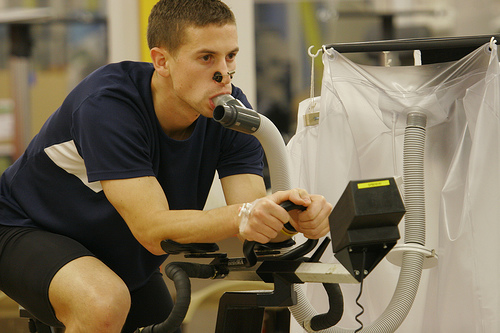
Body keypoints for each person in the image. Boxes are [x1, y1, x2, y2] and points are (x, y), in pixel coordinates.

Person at [0, 1, 332, 332]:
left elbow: (252, 218)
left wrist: (292, 219)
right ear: (162, 61)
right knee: (102, 304)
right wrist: (244, 215)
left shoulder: (232, 114)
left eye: (230, 56)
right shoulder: (108, 105)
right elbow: (153, 230)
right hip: (24, 226)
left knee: (162, 323)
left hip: (113, 250)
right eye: (206, 58)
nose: (224, 75)